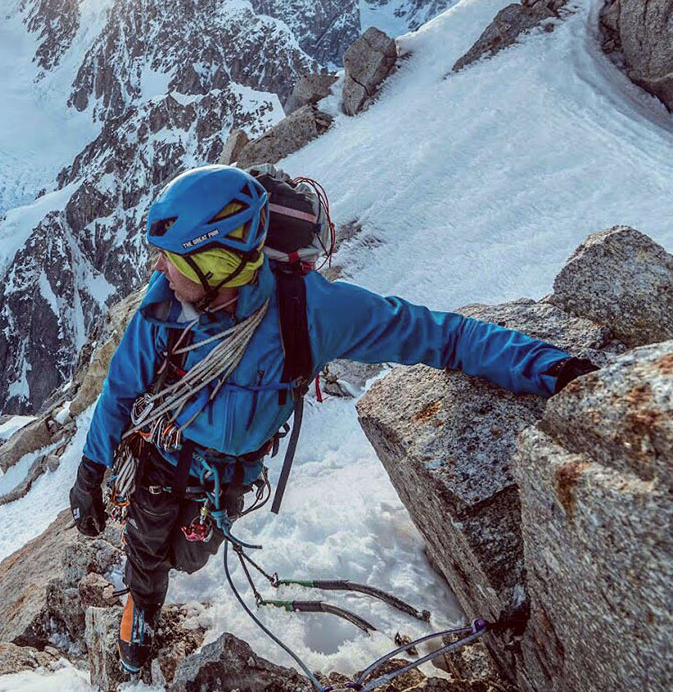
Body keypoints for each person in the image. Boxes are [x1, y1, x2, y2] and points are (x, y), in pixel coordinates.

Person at [67, 164, 597, 673]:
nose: (158, 270)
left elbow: (441, 335)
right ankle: (142, 605)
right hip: (166, 451)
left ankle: (157, 571)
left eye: (171, 261)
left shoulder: (307, 312)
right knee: (148, 537)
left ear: (219, 265)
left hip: (230, 472)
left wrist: (551, 368)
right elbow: (118, 393)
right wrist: (90, 474)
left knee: (189, 554)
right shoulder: (161, 314)